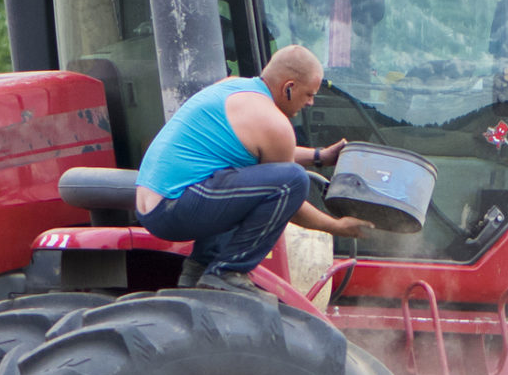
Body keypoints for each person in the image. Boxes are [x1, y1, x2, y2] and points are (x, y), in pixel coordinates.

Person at [135, 44, 374, 292]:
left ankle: (198, 270)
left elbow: (256, 149)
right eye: (309, 94)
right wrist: (336, 226)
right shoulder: (275, 124)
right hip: (174, 208)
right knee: (295, 180)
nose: (311, 103)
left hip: (154, 204)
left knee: (244, 174)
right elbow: (288, 199)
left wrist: (319, 156)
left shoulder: (234, 87)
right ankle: (228, 271)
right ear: (289, 87)